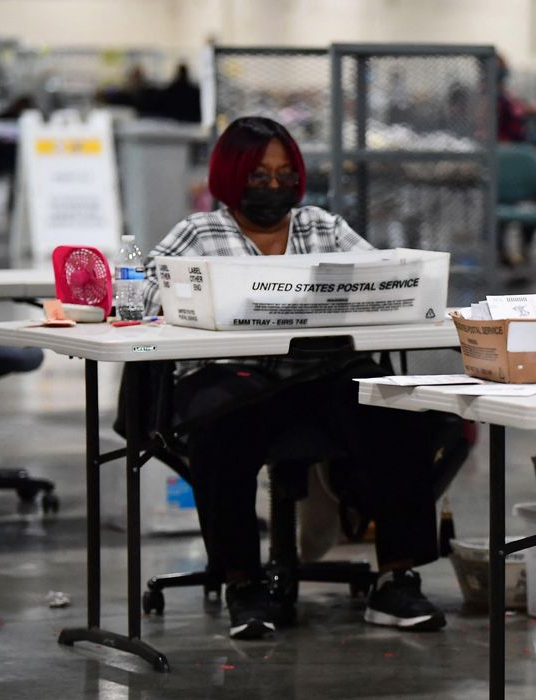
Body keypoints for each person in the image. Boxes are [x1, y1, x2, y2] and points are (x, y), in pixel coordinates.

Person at [142, 116, 447, 639]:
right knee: (221, 428)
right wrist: (201, 300)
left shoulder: (321, 228)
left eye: (285, 174)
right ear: (232, 176)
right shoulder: (198, 234)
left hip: (320, 371)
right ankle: (242, 584)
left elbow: (381, 278)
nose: (274, 185)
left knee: (395, 413)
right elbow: (146, 292)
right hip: (233, 375)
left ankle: (396, 578)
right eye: (259, 175)